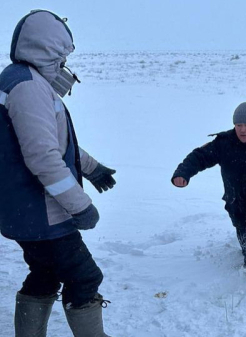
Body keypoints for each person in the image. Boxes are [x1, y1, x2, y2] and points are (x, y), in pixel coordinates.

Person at [0, 10, 116, 337]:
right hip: (41, 211)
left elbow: (54, 143)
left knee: (45, 272)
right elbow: (43, 157)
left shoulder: (18, 79)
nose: (64, 64)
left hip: (23, 209)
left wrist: (93, 169)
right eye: (60, 55)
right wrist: (80, 206)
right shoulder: (28, 87)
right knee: (85, 276)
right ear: (45, 48)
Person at [172, 102, 246, 276]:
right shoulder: (224, 143)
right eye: (239, 125)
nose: (243, 130)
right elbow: (199, 157)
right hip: (236, 204)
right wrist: (183, 173)